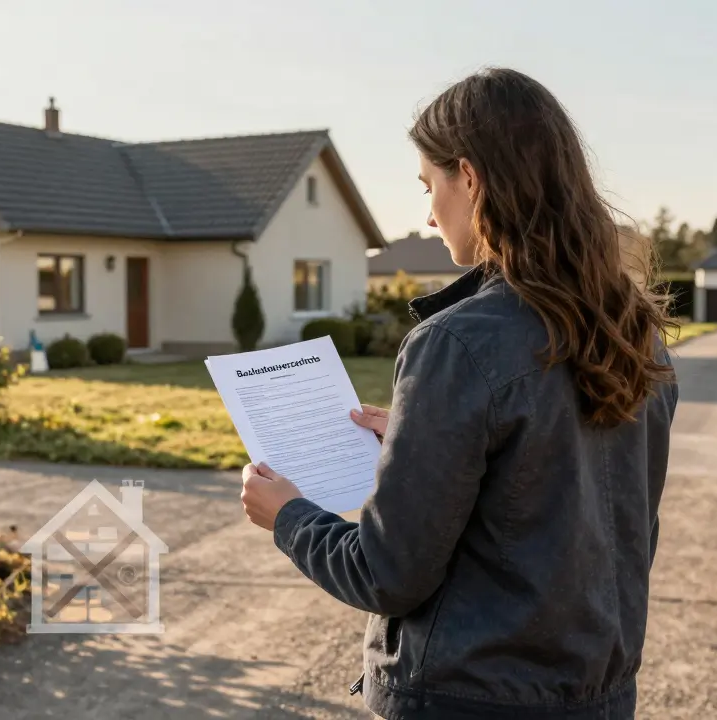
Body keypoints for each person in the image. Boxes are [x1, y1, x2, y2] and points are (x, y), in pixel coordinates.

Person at [239, 67, 679, 720]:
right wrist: (429, 444)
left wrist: (289, 515)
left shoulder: (459, 342)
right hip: (600, 696)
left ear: (469, 178)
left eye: (429, 184)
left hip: (466, 699)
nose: (426, 211)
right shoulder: (635, 332)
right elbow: (593, 520)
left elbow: (386, 573)